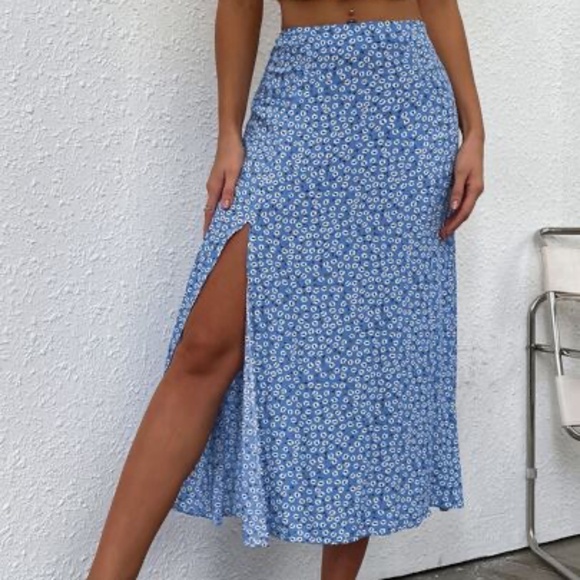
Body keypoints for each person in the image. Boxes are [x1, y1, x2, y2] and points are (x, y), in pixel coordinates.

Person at [87, 0, 484, 578]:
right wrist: (229, 133)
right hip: (301, 93)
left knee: (369, 365)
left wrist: (474, 128)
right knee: (205, 347)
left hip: (409, 111)